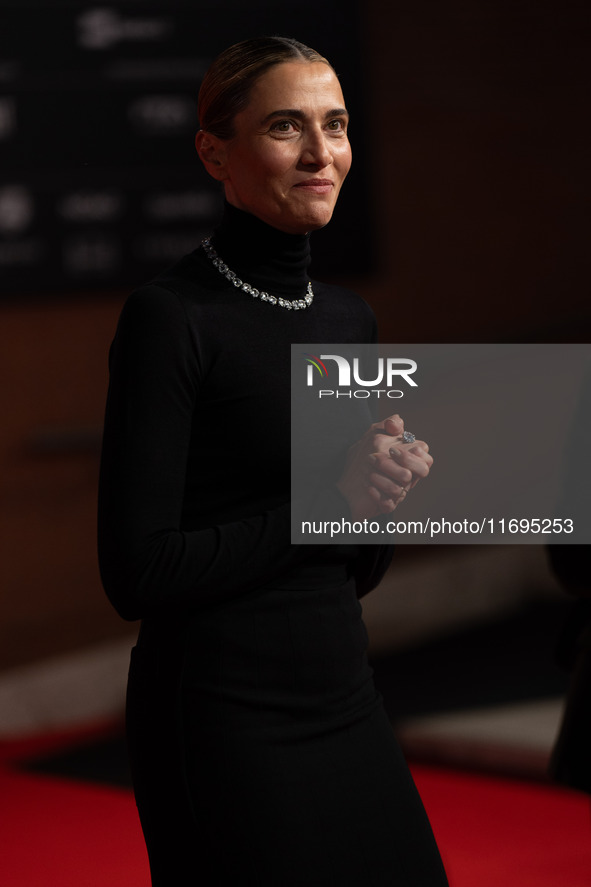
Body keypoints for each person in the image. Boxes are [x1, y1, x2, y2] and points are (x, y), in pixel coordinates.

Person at [98, 36, 448, 886]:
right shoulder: (170, 318)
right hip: (220, 720)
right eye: (287, 127)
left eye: (335, 124)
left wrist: (379, 493)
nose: (321, 153)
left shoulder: (347, 321)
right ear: (215, 151)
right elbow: (135, 573)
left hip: (344, 694)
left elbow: (350, 568)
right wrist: (326, 497)